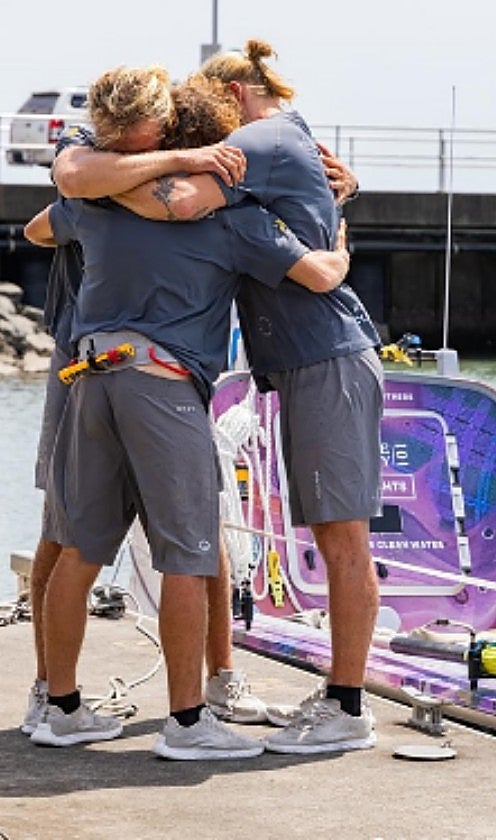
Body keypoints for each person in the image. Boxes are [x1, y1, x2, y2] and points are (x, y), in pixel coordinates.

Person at [61, 41, 379, 755]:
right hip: (298, 364)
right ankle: (324, 696)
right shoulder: (277, 152)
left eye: (195, 130)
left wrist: (138, 171)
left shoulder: (257, 138)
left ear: (232, 97)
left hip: (325, 359)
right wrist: (339, 210)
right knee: (324, 535)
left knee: (342, 538)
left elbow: (173, 204)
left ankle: (349, 707)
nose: (201, 145)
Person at [20, 66, 264, 737]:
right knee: (188, 550)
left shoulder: (91, 199)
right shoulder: (225, 211)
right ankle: (189, 722)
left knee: (75, 546)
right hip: (161, 385)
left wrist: (116, 196)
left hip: (91, 370)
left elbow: (39, 228)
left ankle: (58, 707)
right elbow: (308, 266)